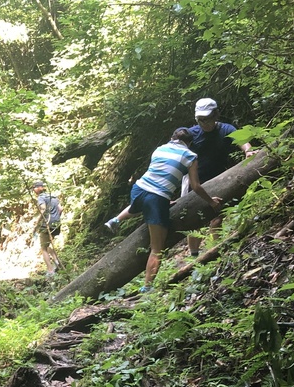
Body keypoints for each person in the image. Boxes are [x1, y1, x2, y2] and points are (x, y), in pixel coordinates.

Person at [103, 129, 221, 290]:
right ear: (189, 143)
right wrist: (211, 201)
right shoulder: (190, 156)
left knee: (140, 205)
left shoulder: (160, 149)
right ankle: (147, 288)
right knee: (157, 248)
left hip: (139, 189)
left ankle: (116, 219)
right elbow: (195, 185)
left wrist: (163, 202)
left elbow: (158, 176)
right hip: (156, 198)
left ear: (172, 138)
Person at [183, 98, 253, 257]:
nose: (205, 123)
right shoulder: (191, 134)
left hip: (219, 179)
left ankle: (215, 253)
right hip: (194, 182)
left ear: (216, 115)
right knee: (195, 221)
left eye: (208, 118)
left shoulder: (226, 129)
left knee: (217, 217)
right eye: (201, 120)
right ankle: (194, 256)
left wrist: (248, 150)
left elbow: (241, 140)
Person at [32, 180, 62, 275]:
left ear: (37, 188)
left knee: (43, 248)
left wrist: (38, 222)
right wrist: (55, 218)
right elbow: (60, 209)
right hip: (56, 224)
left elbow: (43, 208)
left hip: (46, 224)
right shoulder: (52, 197)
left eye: (34, 188)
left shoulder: (41, 198)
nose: (33, 190)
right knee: (47, 244)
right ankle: (56, 261)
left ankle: (50, 270)